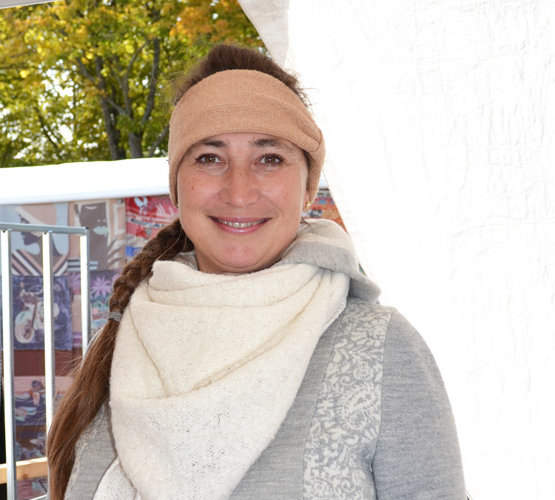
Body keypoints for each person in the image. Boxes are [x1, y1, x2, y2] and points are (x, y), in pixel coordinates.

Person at [47, 44, 465, 499]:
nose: (239, 192)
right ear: (177, 185)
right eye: (209, 157)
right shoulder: (125, 339)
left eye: (270, 158)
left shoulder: (380, 348)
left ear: (308, 186)